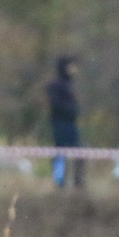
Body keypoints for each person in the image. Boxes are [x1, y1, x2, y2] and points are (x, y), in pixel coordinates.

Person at [46, 56, 83, 189]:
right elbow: (55, 105)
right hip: (60, 124)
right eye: (70, 66)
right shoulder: (55, 85)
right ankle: (59, 182)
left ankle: (78, 182)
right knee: (60, 153)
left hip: (71, 124)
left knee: (80, 152)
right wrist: (69, 110)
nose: (74, 70)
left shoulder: (70, 85)